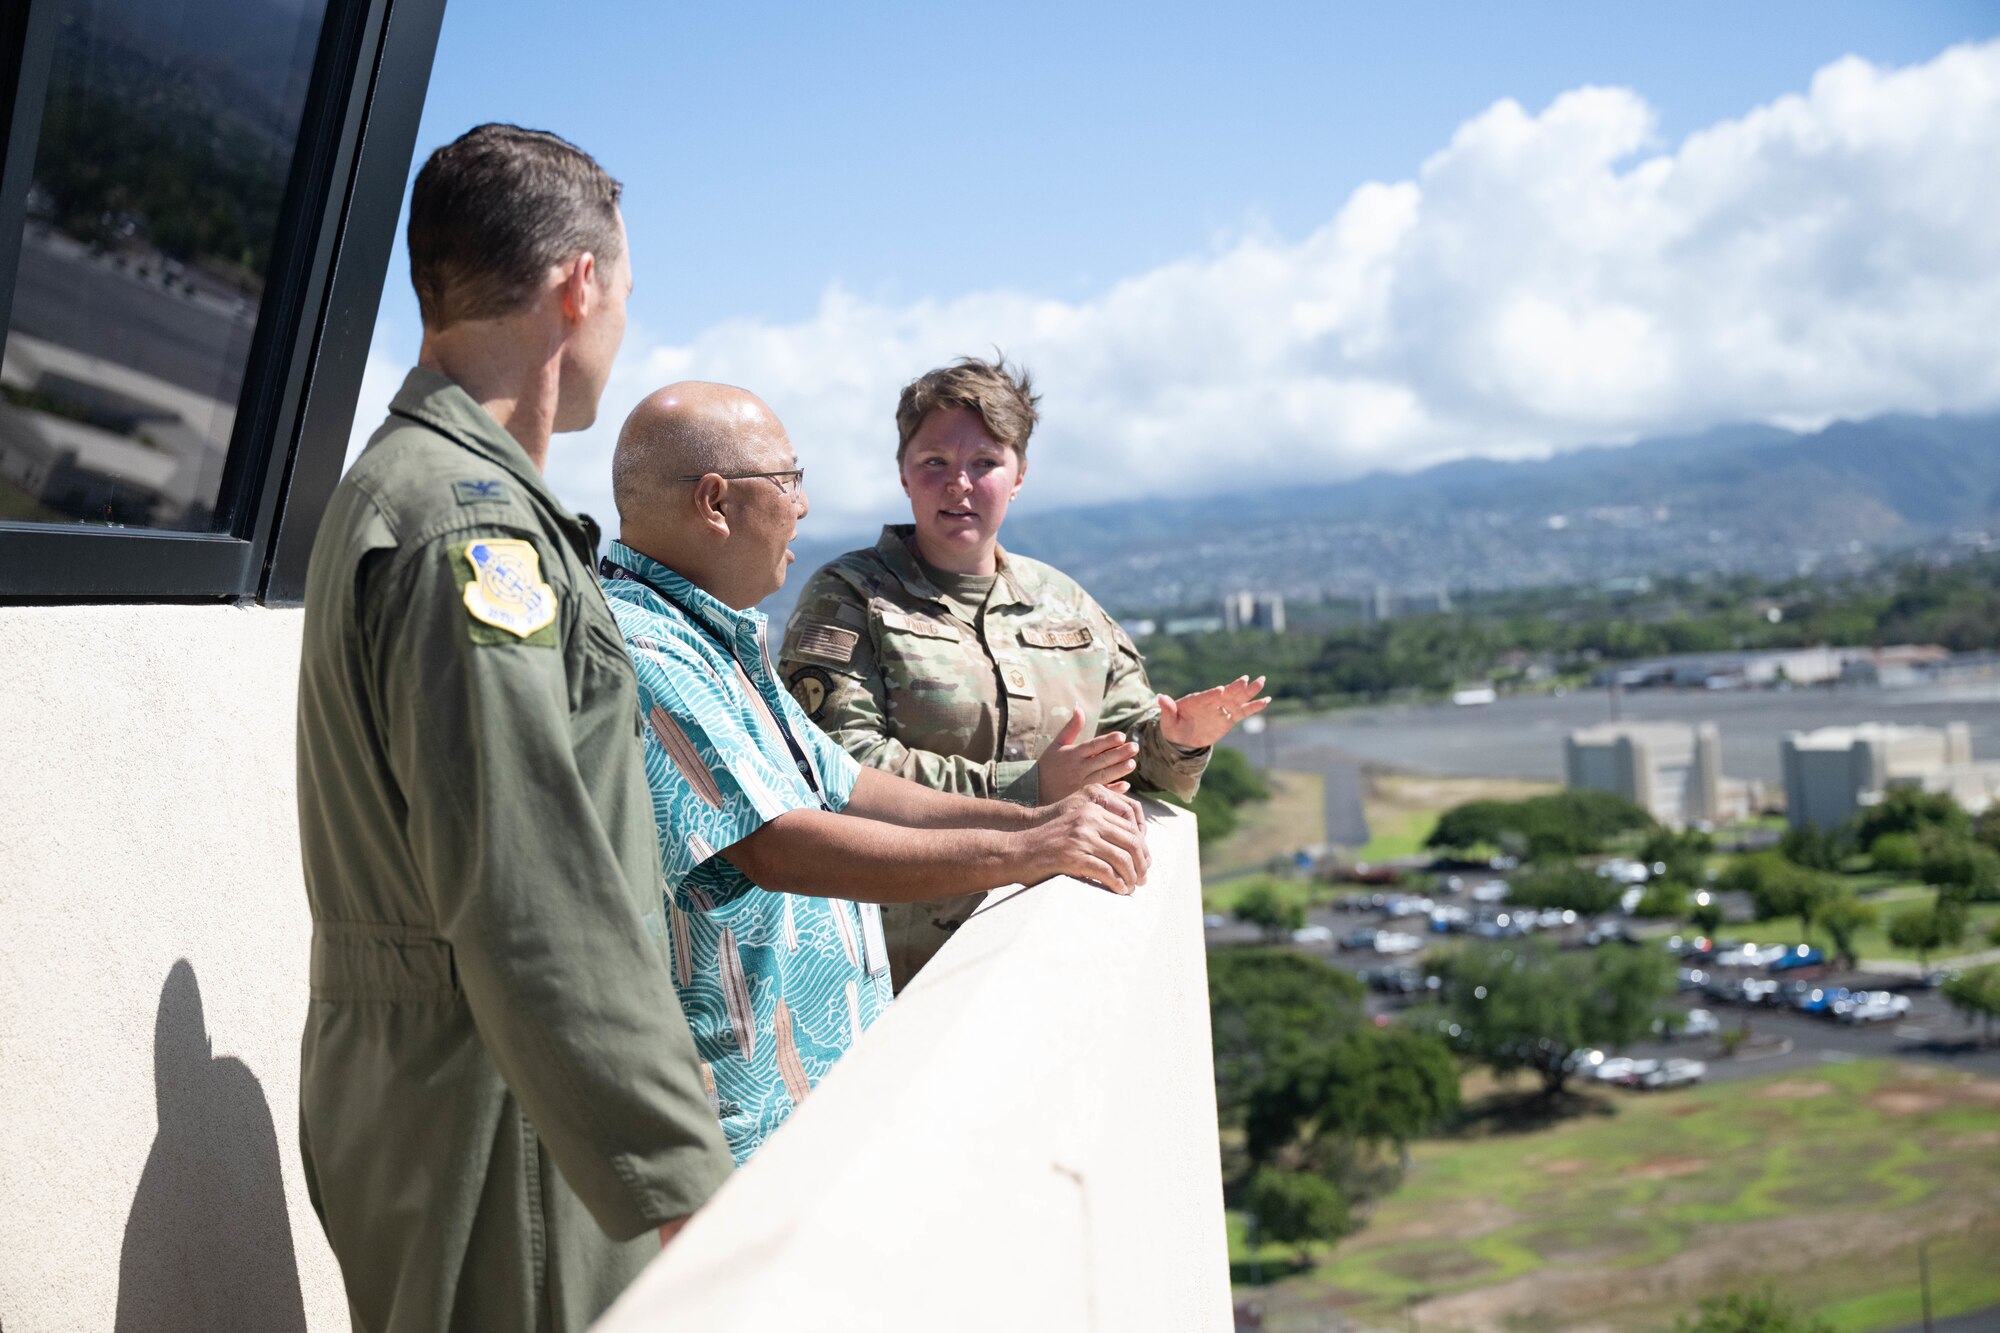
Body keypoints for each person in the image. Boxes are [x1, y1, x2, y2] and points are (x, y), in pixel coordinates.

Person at [294, 125, 732, 1333]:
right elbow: (527, 886)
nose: (622, 324)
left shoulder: (412, 488)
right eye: (625, 292)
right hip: (508, 1115)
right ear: (577, 286)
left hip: (479, 1088)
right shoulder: (464, 529)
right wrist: (676, 1168)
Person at [603, 381, 1153, 1160]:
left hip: (814, 1101)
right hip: (739, 1126)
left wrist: (1035, 823)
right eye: (789, 480)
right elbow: (778, 844)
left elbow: (847, 785)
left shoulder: (711, 641)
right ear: (718, 502)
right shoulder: (645, 647)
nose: (802, 508)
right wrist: (1029, 847)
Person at [779, 355, 1269, 988]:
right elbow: (836, 768)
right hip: (905, 967)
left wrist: (1177, 739)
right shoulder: (850, 598)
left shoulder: (1064, 601)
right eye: (935, 463)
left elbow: (1131, 762)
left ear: (1019, 476)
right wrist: (1028, 789)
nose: (959, 484)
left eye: (984, 463)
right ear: (904, 474)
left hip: (1060, 946)